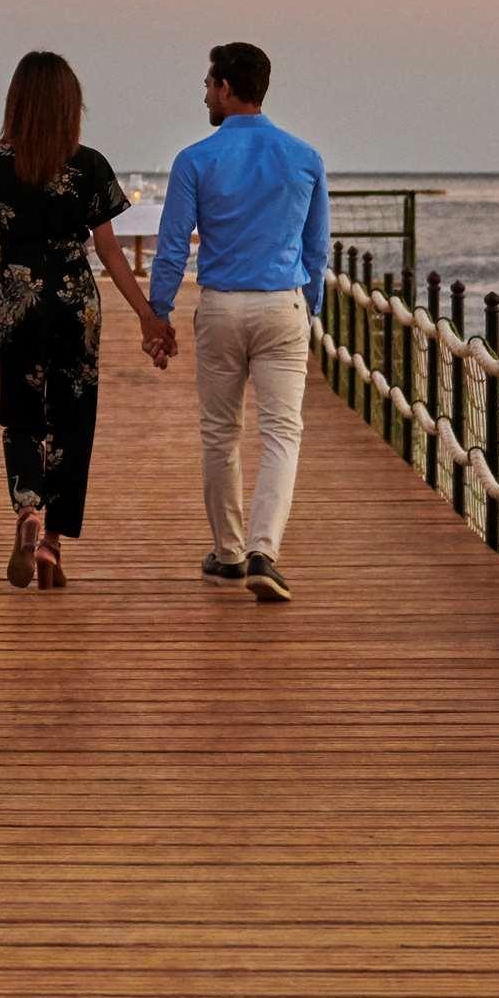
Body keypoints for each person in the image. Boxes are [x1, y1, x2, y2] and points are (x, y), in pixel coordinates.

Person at [0, 51, 175, 589]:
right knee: (74, 416)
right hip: (74, 297)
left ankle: (26, 508)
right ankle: (50, 544)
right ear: (71, 105)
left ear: (16, 100)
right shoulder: (88, 164)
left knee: (21, 407)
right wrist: (147, 316)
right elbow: (110, 249)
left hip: (15, 294)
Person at [145, 41, 328, 604]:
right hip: (281, 305)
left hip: (222, 305)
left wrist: (159, 315)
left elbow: (173, 248)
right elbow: (316, 249)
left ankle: (227, 554)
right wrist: (311, 307)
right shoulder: (304, 157)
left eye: (207, 84)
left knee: (221, 433)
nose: (205, 93)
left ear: (225, 88)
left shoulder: (195, 160)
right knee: (281, 434)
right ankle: (263, 552)